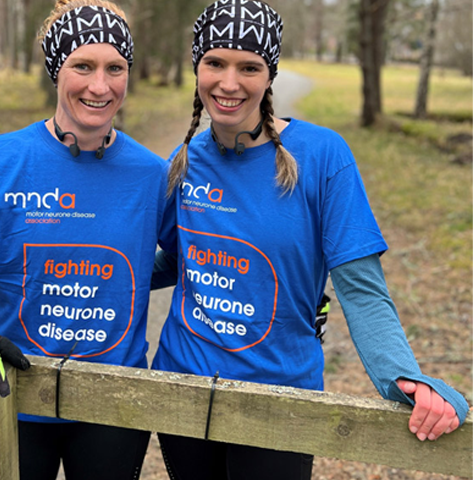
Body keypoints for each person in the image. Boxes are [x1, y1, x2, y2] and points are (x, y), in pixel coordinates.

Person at [150, 1, 470, 479]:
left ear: (269, 74)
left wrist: (400, 376)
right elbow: (179, 260)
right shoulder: (185, 160)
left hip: (281, 393)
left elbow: (359, 285)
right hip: (183, 384)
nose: (229, 82)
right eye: (215, 62)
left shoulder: (322, 156)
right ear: (197, 67)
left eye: (249, 67)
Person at [0, 1, 173, 478]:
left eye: (115, 67)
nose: (100, 85)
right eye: (83, 66)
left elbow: (193, 257)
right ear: (56, 71)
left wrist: (122, 279)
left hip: (114, 399)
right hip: (10, 392)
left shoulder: (153, 174)